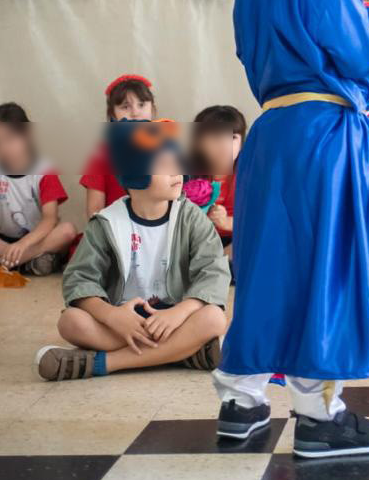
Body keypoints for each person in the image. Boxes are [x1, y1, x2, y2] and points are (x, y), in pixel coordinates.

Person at [212, 0, 369, 458]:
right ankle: (321, 415)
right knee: (330, 267)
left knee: (267, 266)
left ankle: (241, 402)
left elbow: (258, 55)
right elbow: (365, 54)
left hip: (270, 137)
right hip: (325, 140)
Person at [36, 119, 229, 381]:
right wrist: (113, 316)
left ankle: (107, 363)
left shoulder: (191, 217)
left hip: (176, 319)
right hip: (125, 322)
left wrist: (180, 311)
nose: (177, 171)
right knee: (71, 322)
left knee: (214, 318)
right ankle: (183, 352)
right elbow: (79, 279)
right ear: (136, 176)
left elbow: (213, 271)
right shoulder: (106, 223)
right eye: (164, 165)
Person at [0, 103, 77, 277]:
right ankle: (26, 262)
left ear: (27, 135)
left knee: (67, 231)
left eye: (9, 139)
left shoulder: (44, 170)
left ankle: (0, 263)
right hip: (4, 240)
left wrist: (23, 245)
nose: (3, 148)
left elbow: (50, 219)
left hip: (36, 240)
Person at [80, 74, 155, 218]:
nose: (135, 113)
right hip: (115, 231)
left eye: (142, 104)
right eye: (125, 106)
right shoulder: (102, 153)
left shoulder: (166, 148)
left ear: (152, 108)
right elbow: (94, 211)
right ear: (112, 115)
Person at [188, 105, 246, 253]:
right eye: (216, 137)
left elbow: (257, 221)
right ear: (199, 143)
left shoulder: (248, 176)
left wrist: (227, 222)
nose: (225, 146)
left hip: (235, 242)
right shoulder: (187, 175)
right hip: (198, 243)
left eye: (233, 137)